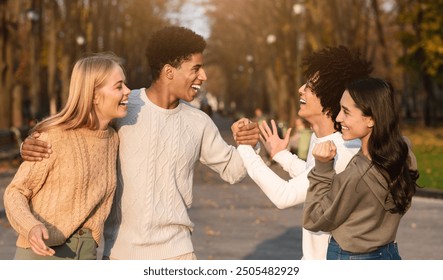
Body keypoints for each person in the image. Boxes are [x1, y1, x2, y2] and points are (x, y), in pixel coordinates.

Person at [20, 26, 260, 260]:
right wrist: (30, 144)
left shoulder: (199, 122)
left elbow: (232, 170)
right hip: (119, 256)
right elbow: (75, 134)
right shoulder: (121, 108)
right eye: (196, 68)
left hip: (178, 255)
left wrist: (249, 143)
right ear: (169, 72)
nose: (203, 76)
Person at [233, 46, 373, 259]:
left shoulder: (342, 149)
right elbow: (314, 177)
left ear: (329, 100)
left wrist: (244, 147)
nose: (300, 89)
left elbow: (284, 195)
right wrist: (281, 155)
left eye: (310, 86)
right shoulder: (324, 140)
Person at [3, 52, 130, 260]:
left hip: (86, 254)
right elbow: (15, 191)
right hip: (43, 254)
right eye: (119, 86)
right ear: (94, 95)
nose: (128, 91)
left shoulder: (113, 138)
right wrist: (31, 227)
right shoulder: (55, 137)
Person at [303, 77, 419, 260]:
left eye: (346, 112)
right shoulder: (403, 154)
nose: (338, 117)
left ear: (371, 119)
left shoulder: (356, 176)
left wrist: (323, 168)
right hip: (388, 253)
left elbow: (313, 218)